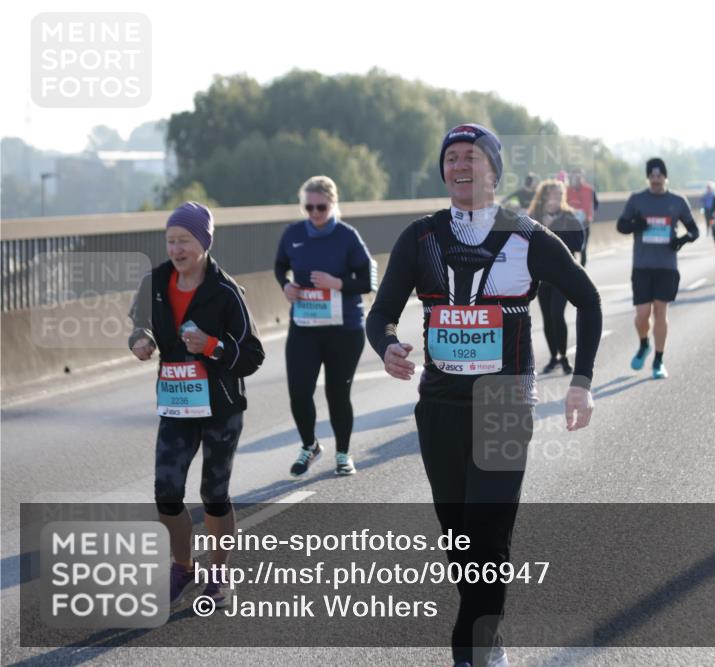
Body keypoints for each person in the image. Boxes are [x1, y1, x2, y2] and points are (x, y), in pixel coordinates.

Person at [365, 123, 602, 667]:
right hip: (439, 405)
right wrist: (387, 345)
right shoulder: (421, 237)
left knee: (488, 535)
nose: (459, 165)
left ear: (494, 169)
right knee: (458, 539)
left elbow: (587, 300)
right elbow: (381, 314)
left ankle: (472, 649)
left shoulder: (529, 237)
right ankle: (486, 632)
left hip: (504, 403)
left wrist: (582, 383)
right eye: (451, 157)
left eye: (471, 156)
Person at [128, 202, 265, 609]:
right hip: (176, 406)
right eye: (170, 241)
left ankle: (219, 575)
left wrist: (212, 346)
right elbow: (139, 322)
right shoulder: (154, 281)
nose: (176, 249)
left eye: (184, 240)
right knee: (166, 493)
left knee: (214, 494)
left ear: (204, 243)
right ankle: (184, 567)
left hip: (221, 406)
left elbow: (253, 355)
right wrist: (141, 340)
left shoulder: (225, 291)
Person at [274, 176, 376, 478]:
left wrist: (337, 283)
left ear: (333, 204)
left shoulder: (347, 236)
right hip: (305, 325)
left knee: (337, 393)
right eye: (309, 207)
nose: (315, 213)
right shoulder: (293, 234)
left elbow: (367, 282)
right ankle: (310, 446)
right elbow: (280, 265)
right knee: (299, 392)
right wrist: (286, 285)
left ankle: (343, 454)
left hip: (343, 328)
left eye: (321, 207)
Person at [616, 158, 699, 379]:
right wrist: (635, 225)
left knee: (661, 311)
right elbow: (621, 225)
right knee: (642, 315)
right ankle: (644, 344)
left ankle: (658, 361)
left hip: (666, 266)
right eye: (651, 176)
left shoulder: (677, 201)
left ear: (665, 177)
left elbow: (694, 230)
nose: (655, 180)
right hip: (642, 266)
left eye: (659, 176)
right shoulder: (637, 200)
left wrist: (681, 240)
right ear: (648, 177)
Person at [529, 179, 586, 374]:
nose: (559, 197)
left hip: (563, 274)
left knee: (556, 313)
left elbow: (579, 243)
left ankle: (564, 357)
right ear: (545, 195)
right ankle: (553, 357)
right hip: (541, 276)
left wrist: (554, 232)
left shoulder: (569, 217)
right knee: (546, 317)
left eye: (561, 194)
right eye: (555, 194)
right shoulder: (534, 216)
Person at [566, 168, 596, 266]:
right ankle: (573, 267)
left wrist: (590, 214)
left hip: (585, 222)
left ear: (583, 177)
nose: (577, 178)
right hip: (570, 223)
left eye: (579, 176)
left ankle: (582, 269)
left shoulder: (590, 189)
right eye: (575, 176)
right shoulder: (567, 190)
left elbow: (595, 204)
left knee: (583, 247)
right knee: (570, 248)